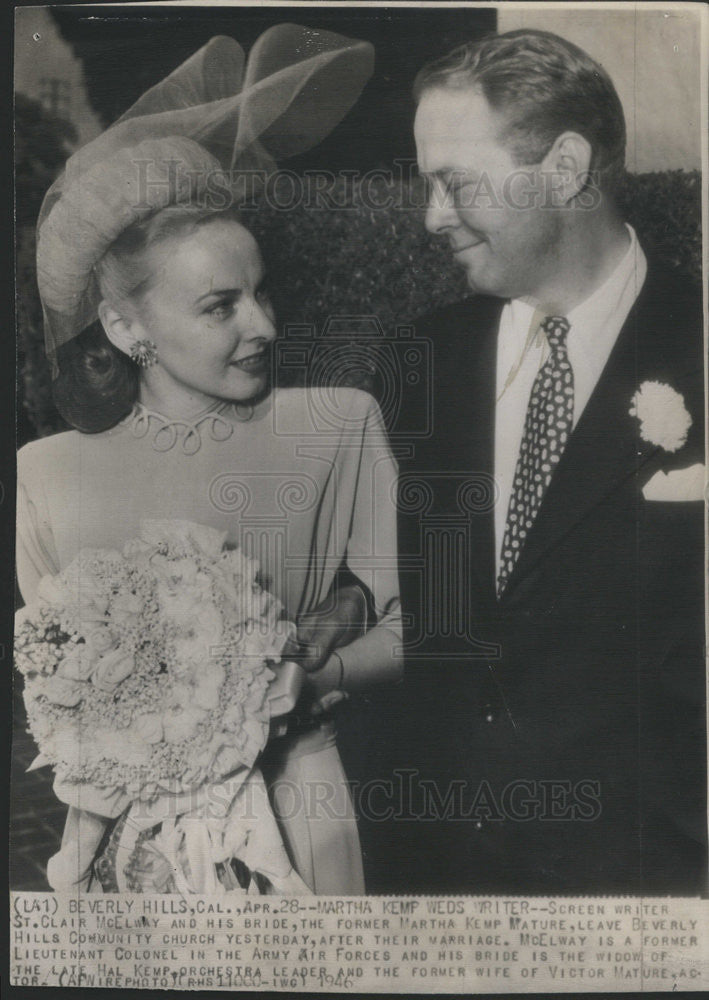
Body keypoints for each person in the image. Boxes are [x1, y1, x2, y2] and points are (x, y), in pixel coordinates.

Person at [16, 27, 402, 895]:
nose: (262, 326)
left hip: (301, 816)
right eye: (220, 306)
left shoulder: (338, 426)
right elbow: (55, 681)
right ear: (126, 329)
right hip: (118, 842)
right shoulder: (44, 476)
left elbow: (434, 630)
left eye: (262, 292)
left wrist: (314, 676)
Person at [392, 29, 705, 894]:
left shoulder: (700, 346)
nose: (432, 217)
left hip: (650, 892)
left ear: (565, 167)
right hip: (451, 884)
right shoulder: (420, 363)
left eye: (453, 182)